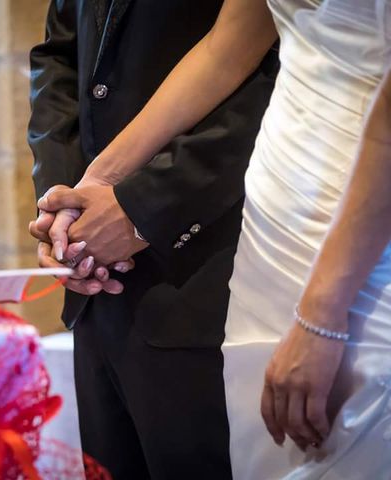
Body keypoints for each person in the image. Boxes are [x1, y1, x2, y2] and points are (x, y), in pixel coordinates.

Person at [39, 0, 391, 477]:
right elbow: (222, 50)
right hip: (272, 215)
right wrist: (92, 189)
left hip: (344, 193)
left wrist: (323, 316)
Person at [28, 0, 277, 478]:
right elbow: (58, 56)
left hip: (203, 267)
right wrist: (64, 207)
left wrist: (140, 209)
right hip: (95, 291)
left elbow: (269, 75)